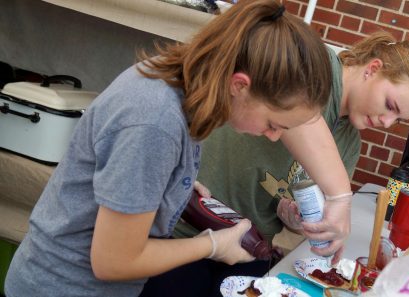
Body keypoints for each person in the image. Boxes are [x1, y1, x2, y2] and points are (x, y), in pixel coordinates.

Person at [4, 1, 341, 296]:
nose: (271, 136)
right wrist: (211, 246)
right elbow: (113, 261)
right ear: (240, 85)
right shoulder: (155, 122)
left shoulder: (184, 91)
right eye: (273, 123)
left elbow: (124, 176)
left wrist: (167, 184)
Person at [170, 29, 409, 288]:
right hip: (188, 229)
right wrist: (341, 197)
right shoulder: (316, 67)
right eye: (390, 106)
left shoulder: (349, 142)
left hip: (248, 247)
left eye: (398, 119)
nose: (387, 122)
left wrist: (298, 219)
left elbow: (317, 209)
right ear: (372, 69)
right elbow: (301, 118)